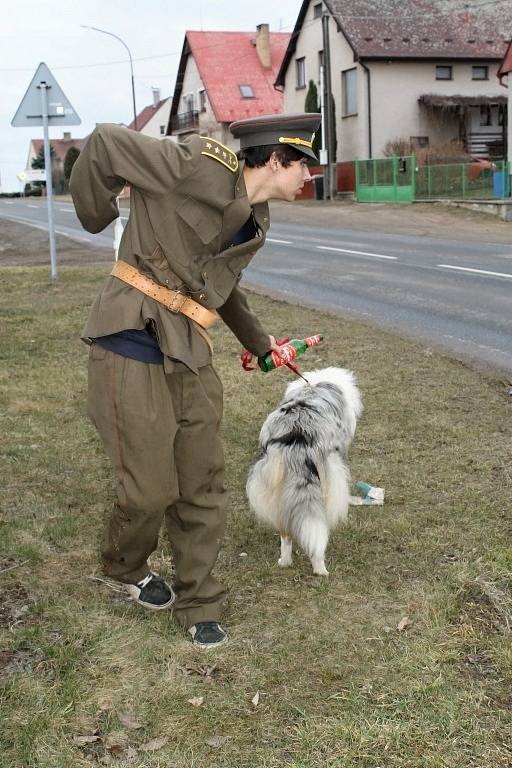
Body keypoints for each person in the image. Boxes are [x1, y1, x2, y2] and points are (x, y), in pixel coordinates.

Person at [70, 112, 321, 648]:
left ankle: (199, 599)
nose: (309, 177)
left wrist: (261, 344)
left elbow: (220, 287)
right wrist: (96, 216)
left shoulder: (256, 221)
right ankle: (125, 566)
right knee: (149, 491)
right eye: (304, 165)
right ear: (275, 159)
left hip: (191, 350)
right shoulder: (194, 164)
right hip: (129, 337)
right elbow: (106, 143)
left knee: (202, 482)